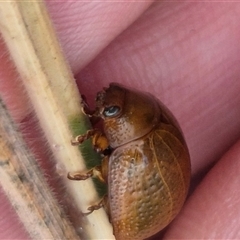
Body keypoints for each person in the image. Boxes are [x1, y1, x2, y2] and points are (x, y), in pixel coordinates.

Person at [0, 2, 240, 239]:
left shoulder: (138, 148)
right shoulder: (140, 129)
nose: (102, 106)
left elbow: (110, 164)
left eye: (110, 110)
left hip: (139, 217)